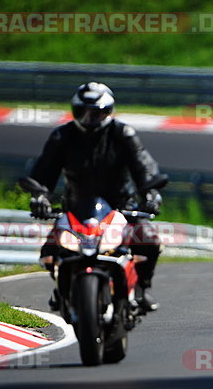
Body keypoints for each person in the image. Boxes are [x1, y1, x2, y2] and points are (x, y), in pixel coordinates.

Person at [24, 82, 165, 311]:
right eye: (84, 112)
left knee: (148, 239)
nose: (90, 118)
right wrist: (39, 196)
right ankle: (64, 288)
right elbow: (44, 171)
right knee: (50, 251)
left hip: (120, 207)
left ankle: (141, 289)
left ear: (108, 111)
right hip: (76, 209)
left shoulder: (123, 134)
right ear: (75, 111)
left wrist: (150, 192)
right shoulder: (62, 136)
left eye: (96, 113)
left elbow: (143, 166)